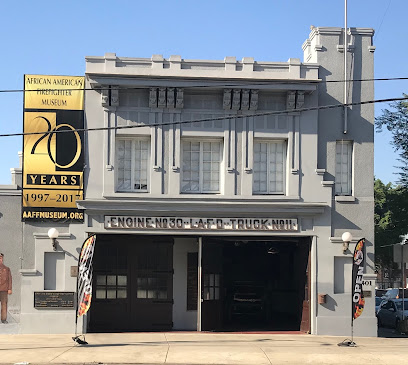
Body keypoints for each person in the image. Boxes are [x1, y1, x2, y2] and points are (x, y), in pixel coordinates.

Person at [0, 253, 12, 324]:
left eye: (0, 258)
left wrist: (9, 288)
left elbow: (10, 279)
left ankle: (3, 319)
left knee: (4, 305)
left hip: (4, 290)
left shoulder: (7, 269)